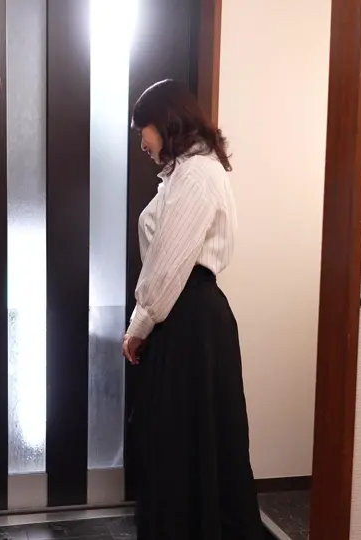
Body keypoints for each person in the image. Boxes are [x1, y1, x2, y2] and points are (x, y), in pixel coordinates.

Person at [122, 79, 263, 540]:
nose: (142, 142)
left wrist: (140, 324)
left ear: (165, 123)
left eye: (143, 130)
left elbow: (168, 264)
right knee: (192, 439)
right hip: (191, 315)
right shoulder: (187, 172)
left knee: (180, 440)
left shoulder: (196, 174)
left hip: (188, 316)